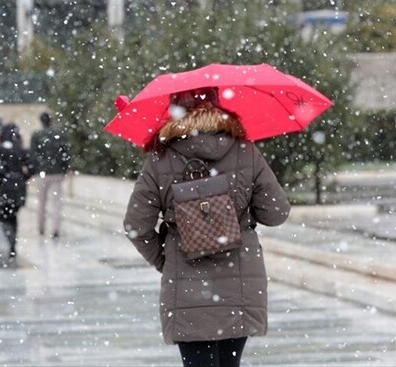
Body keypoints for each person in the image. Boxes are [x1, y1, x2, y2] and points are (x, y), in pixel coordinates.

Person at [123, 87, 291, 367]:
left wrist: (164, 260)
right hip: (240, 283)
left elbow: (136, 226)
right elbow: (276, 213)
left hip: (187, 286)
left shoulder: (159, 159)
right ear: (217, 106)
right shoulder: (245, 151)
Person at [0, 122, 31, 261]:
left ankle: (10, 241)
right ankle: (12, 242)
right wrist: (21, 177)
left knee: (4, 217)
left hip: (2, 188)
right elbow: (31, 167)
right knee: (13, 216)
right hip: (18, 188)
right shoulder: (20, 150)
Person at [29, 112, 70, 238]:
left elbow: (33, 155)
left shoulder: (36, 136)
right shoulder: (60, 135)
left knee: (41, 202)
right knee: (56, 202)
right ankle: (55, 228)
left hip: (42, 173)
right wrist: (64, 169)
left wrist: (34, 169)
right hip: (57, 173)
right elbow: (65, 154)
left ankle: (41, 228)